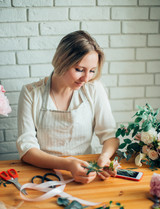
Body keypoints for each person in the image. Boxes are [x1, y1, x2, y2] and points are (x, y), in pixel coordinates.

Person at [16, 30, 119, 184]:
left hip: (86, 172)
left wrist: (103, 159)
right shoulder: (31, 93)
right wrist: (67, 164)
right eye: (79, 69)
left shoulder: (94, 89)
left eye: (92, 71)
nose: (86, 78)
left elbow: (110, 136)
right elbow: (26, 150)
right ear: (62, 61)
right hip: (43, 174)